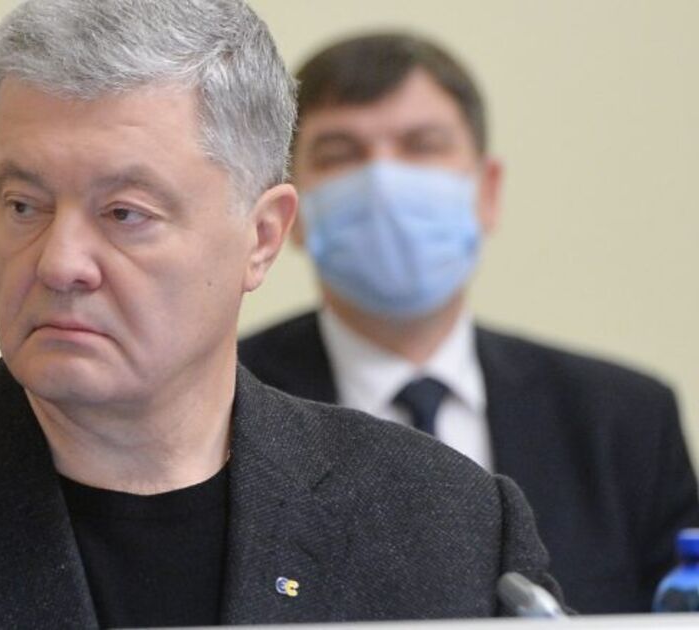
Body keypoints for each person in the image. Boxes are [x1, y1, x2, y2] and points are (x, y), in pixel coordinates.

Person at [0, 5, 561, 627]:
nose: (61, 263)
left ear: (262, 238)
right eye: (24, 205)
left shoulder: (448, 525)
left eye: (125, 214)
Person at [239, 32, 699, 614]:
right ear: (291, 212)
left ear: (487, 191)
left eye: (422, 146)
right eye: (340, 154)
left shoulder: (624, 421)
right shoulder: (224, 403)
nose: (384, 184)